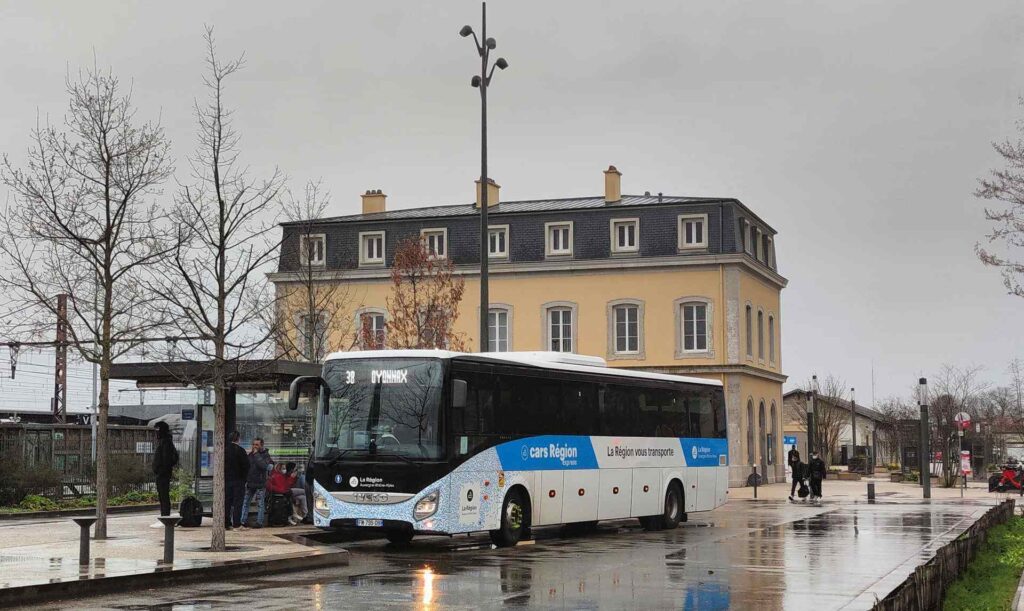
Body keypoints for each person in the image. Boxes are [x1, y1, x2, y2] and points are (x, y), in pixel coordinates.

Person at [151, 421, 179, 528]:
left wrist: (161, 469)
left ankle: (165, 517)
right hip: (162, 472)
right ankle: (164, 516)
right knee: (162, 495)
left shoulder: (166, 442)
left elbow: (167, 458)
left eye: (157, 429)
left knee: (164, 495)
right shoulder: (164, 441)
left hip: (163, 473)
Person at [241, 438, 273, 528]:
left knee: (260, 504)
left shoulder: (265, 455)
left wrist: (256, 454)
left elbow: (264, 466)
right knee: (245, 502)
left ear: (261, 445)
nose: (254, 446)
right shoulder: (250, 455)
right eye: (253, 444)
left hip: (260, 483)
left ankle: (259, 522)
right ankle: (242, 521)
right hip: (250, 482)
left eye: (257, 445)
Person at [224, 431, 250, 530]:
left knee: (227, 502)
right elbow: (246, 465)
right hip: (238, 480)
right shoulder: (240, 450)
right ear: (238, 439)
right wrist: (244, 478)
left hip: (227, 480)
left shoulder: (225, 450)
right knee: (238, 503)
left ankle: (226, 523)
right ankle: (236, 523)